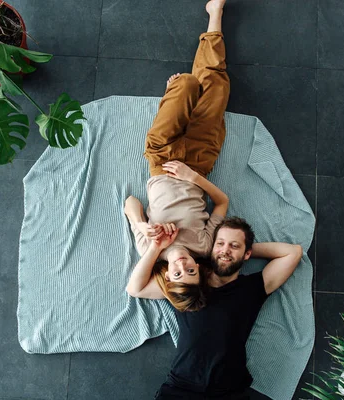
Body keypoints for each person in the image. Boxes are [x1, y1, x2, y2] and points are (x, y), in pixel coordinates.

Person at [124, 0, 232, 312]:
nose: (184, 265)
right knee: (216, 87)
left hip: (161, 157)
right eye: (192, 271)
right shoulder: (203, 246)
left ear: (166, 276)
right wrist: (193, 177)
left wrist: (142, 226)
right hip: (199, 161)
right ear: (200, 269)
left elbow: (130, 203)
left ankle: (176, 98)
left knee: (186, 83)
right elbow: (222, 203)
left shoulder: (150, 247)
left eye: (177, 273)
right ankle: (215, 14)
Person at [154, 217, 304, 399]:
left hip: (229, 391)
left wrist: (240, 251)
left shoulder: (252, 287)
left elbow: (293, 252)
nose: (225, 250)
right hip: (182, 387)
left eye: (234, 245)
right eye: (220, 243)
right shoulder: (189, 278)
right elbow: (136, 288)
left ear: (247, 254)